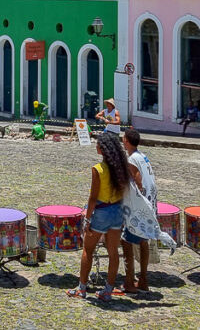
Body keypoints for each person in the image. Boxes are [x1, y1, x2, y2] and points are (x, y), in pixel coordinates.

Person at [67, 132, 130, 301]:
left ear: (103, 150)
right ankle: (108, 290)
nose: (96, 146)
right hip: (117, 211)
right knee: (113, 253)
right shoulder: (121, 169)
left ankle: (81, 288)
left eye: (98, 145)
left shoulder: (98, 170)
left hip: (101, 212)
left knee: (88, 249)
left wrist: (87, 219)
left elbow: (93, 198)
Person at [120, 128, 157, 293]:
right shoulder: (143, 156)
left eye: (123, 137)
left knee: (126, 241)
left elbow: (138, 183)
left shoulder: (132, 159)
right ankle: (143, 278)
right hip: (150, 203)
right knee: (143, 242)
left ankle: (129, 280)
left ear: (126, 141)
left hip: (140, 207)